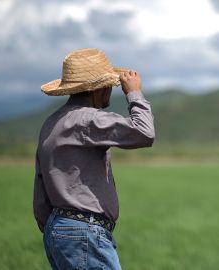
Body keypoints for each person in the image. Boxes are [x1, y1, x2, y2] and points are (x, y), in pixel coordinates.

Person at [33, 48, 155, 269]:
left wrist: (57, 229)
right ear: (98, 89)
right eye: (110, 86)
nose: (111, 91)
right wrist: (134, 93)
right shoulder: (88, 120)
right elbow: (144, 132)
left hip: (58, 228)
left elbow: (41, 187)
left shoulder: (51, 122)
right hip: (84, 231)